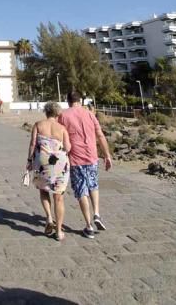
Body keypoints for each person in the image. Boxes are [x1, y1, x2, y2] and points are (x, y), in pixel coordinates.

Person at [59, 90, 112, 239]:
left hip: (76, 158)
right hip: (92, 156)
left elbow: (59, 136)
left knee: (81, 189)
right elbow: (100, 135)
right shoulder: (89, 114)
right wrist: (107, 155)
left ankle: (88, 226)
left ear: (67, 100)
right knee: (93, 185)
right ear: (80, 100)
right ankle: (97, 213)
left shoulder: (63, 116)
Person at [27, 101, 70, 241]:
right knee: (59, 196)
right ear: (58, 113)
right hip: (60, 163)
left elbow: (33, 143)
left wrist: (29, 160)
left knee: (44, 190)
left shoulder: (38, 124)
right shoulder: (62, 128)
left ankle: (49, 218)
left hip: (42, 161)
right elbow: (68, 148)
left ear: (46, 112)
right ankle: (58, 232)